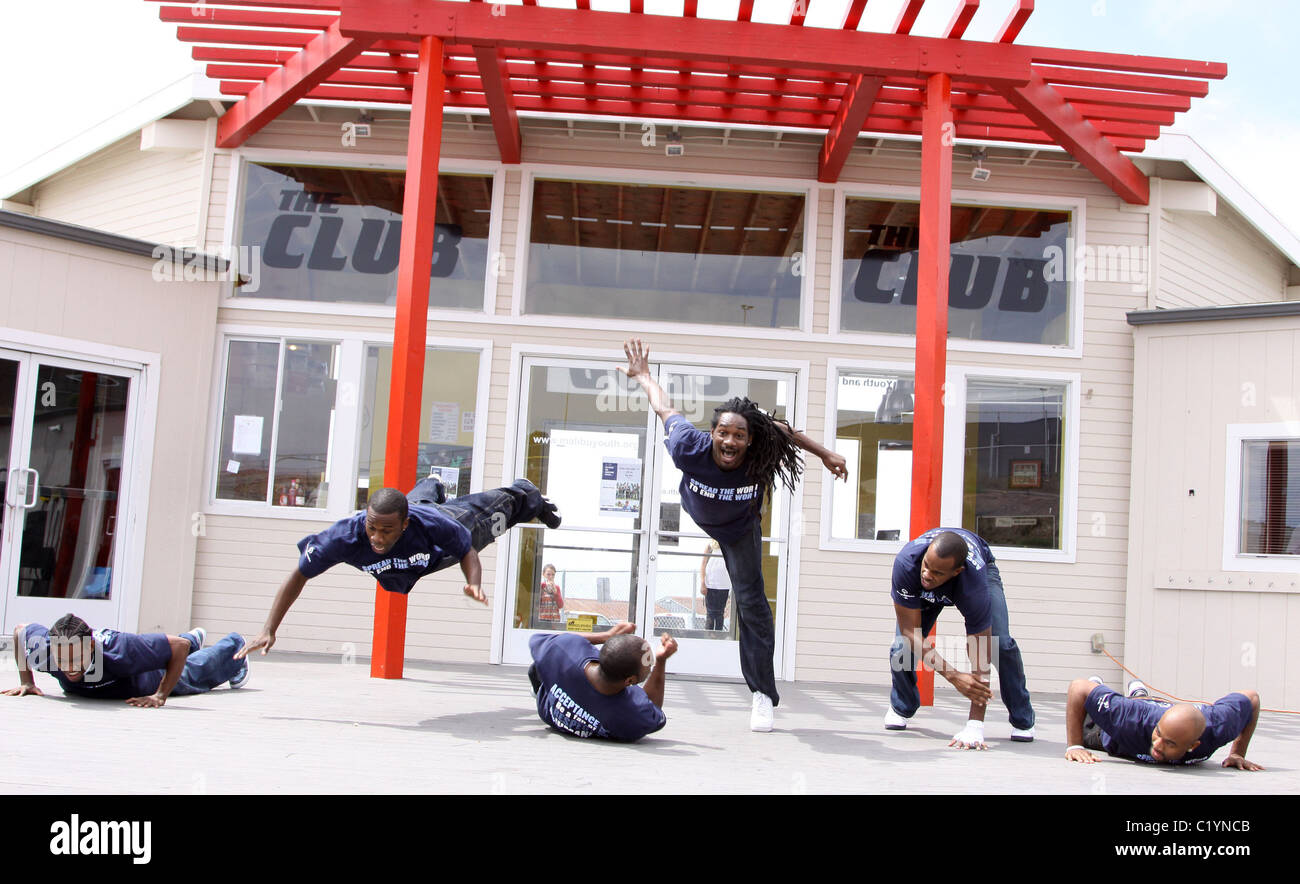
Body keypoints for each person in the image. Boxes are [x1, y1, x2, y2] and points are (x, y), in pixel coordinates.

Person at [621, 337, 847, 732]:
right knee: (745, 592)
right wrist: (644, 376)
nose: (730, 442)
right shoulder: (687, 447)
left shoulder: (764, 445)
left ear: (750, 440)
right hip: (702, 517)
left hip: (741, 528)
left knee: (752, 602)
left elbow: (786, 431)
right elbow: (664, 406)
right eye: (723, 433)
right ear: (712, 434)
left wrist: (826, 453)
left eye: (739, 436)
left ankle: (762, 695)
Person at [238, 473, 562, 658]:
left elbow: (467, 552)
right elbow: (299, 575)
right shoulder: (343, 538)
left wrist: (474, 582)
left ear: (404, 525)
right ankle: (431, 484)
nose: (377, 538)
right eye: (372, 528)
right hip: (405, 555)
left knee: (491, 519)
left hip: (439, 549)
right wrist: (269, 628)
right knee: (418, 500)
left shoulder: (429, 525)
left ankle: (527, 495)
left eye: (386, 531)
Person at [885, 528, 1036, 748]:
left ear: (956, 571)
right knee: (901, 648)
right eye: (926, 565)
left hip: (981, 571)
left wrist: (975, 724)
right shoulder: (908, 564)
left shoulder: (973, 584)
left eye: (936, 572)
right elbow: (910, 632)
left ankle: (1023, 719)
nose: (927, 574)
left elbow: (980, 648)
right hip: (926, 591)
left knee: (1000, 644)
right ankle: (902, 705)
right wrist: (954, 676)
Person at [3, 614, 248, 706]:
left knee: (192, 672)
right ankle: (193, 638)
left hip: (145, 679)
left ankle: (235, 649)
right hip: (129, 666)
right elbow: (19, 630)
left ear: (90, 646)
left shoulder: (120, 650)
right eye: (61, 660)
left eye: (75, 659)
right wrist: (27, 681)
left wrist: (161, 695)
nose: (68, 667)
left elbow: (179, 648)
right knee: (176, 645)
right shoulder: (43, 650)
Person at [1064, 675, 1263, 769]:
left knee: (1135, 705)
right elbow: (1078, 687)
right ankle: (1101, 685)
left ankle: (1138, 693)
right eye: (1159, 734)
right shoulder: (1128, 720)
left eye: (1170, 743)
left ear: (1194, 745)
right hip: (1109, 731)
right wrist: (1074, 745)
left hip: (1149, 708)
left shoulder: (1217, 727)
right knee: (1087, 723)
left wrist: (1237, 753)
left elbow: (1251, 698)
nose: (1157, 745)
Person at [528, 621, 677, 742]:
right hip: (585, 719)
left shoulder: (567, 650)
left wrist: (605, 636)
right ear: (630, 680)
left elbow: (546, 639)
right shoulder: (633, 713)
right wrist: (661, 661)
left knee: (540, 663)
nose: (650, 665)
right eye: (649, 664)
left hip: (548, 710)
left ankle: (538, 690)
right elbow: (653, 710)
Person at [699, 539, 731, 631]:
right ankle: (708, 636)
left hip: (724, 585)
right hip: (710, 584)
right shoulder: (710, 545)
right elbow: (703, 565)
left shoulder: (728, 544)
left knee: (720, 613)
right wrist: (702, 583)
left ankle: (718, 637)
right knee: (710, 614)